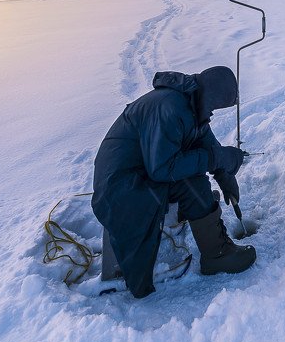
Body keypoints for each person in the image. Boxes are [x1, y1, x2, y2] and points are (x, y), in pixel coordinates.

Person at [92, 66, 256, 298]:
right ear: (209, 97)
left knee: (193, 171)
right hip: (122, 186)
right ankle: (217, 256)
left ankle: (215, 248)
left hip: (137, 173)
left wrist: (224, 174)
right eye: (215, 106)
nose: (212, 112)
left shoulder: (189, 102)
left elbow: (206, 143)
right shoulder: (170, 108)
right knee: (192, 182)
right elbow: (162, 169)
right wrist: (215, 159)